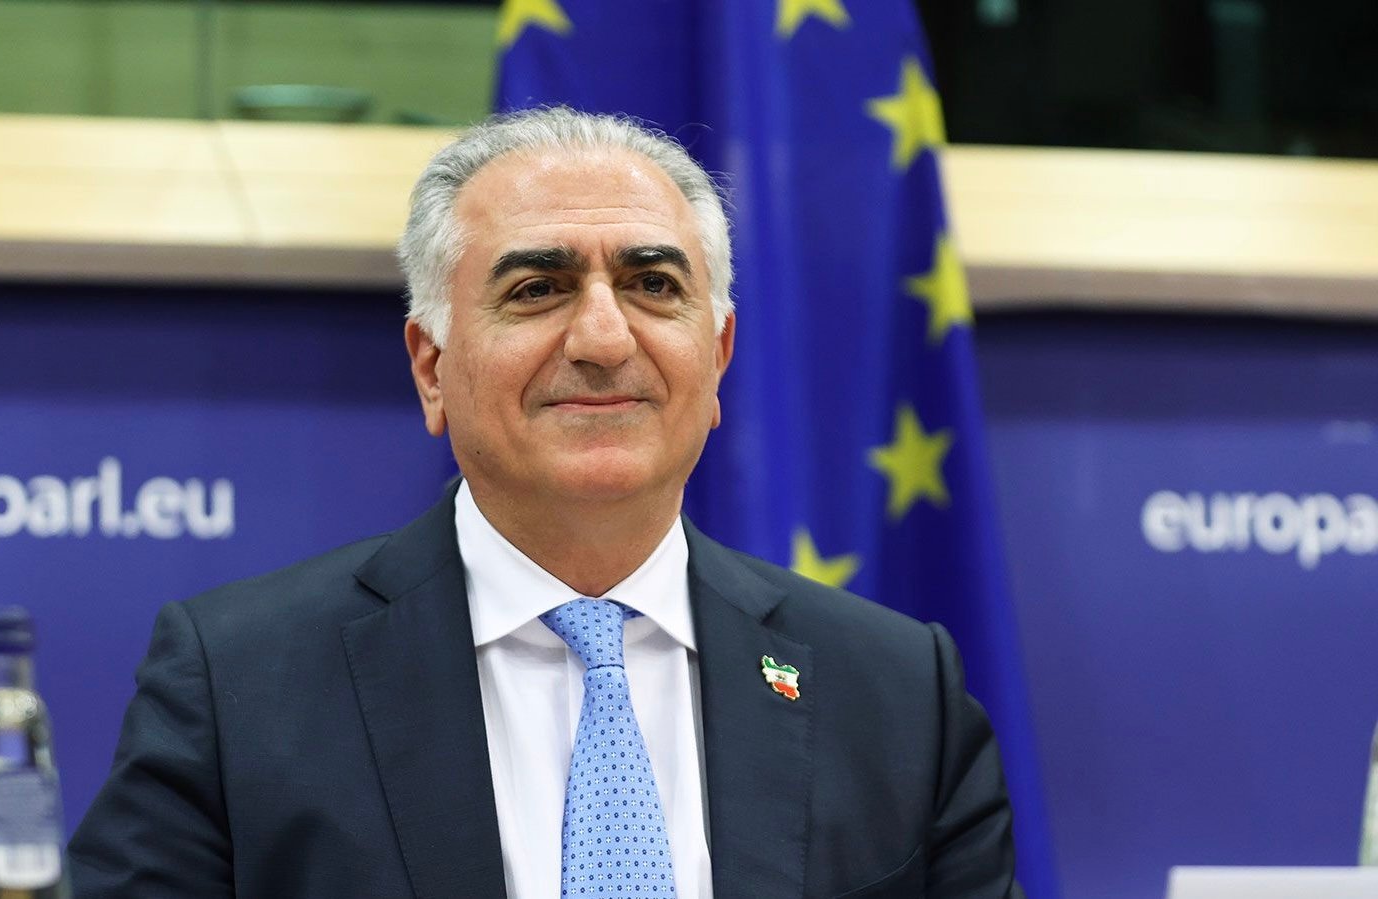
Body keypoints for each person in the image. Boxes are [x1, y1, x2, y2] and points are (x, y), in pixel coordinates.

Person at [67, 107, 1022, 898]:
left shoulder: (898, 691)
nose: (603, 338)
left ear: (718, 356)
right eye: (537, 288)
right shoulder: (237, 683)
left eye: (652, 284)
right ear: (432, 368)